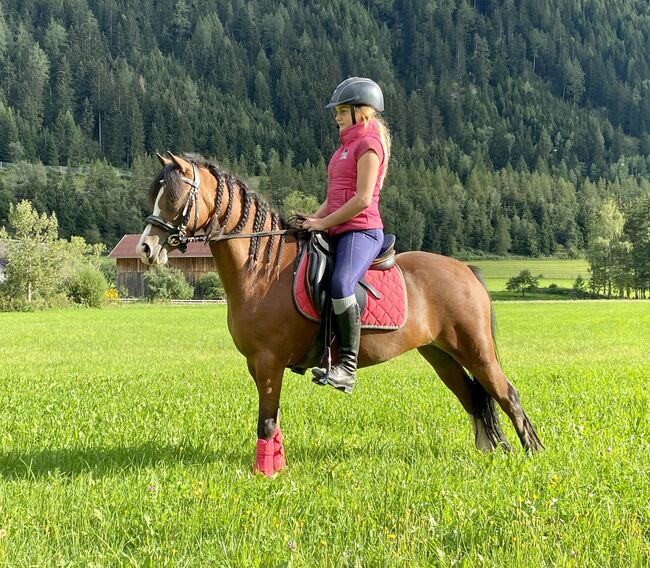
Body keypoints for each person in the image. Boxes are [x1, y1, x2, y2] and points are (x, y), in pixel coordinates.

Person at [299, 77, 391, 394]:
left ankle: (347, 368)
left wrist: (323, 225)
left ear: (360, 112)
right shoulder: (344, 148)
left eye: (341, 111)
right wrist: (314, 218)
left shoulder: (369, 145)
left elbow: (362, 199)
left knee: (340, 284)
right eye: (337, 111)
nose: (336, 117)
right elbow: (334, 197)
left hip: (362, 230)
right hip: (337, 226)